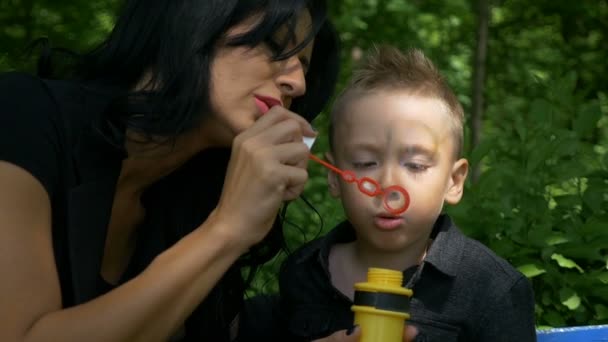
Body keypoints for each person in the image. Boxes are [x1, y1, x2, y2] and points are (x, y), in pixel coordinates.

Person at [0, 0, 340, 341]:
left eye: (303, 66)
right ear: (195, 19)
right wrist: (227, 228)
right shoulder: (23, 114)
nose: (298, 84)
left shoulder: (195, 195)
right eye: (274, 44)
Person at [278, 45, 537, 341]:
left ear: (454, 181)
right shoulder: (304, 273)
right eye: (365, 163)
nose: (389, 185)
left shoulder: (491, 288)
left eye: (415, 165)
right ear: (335, 178)